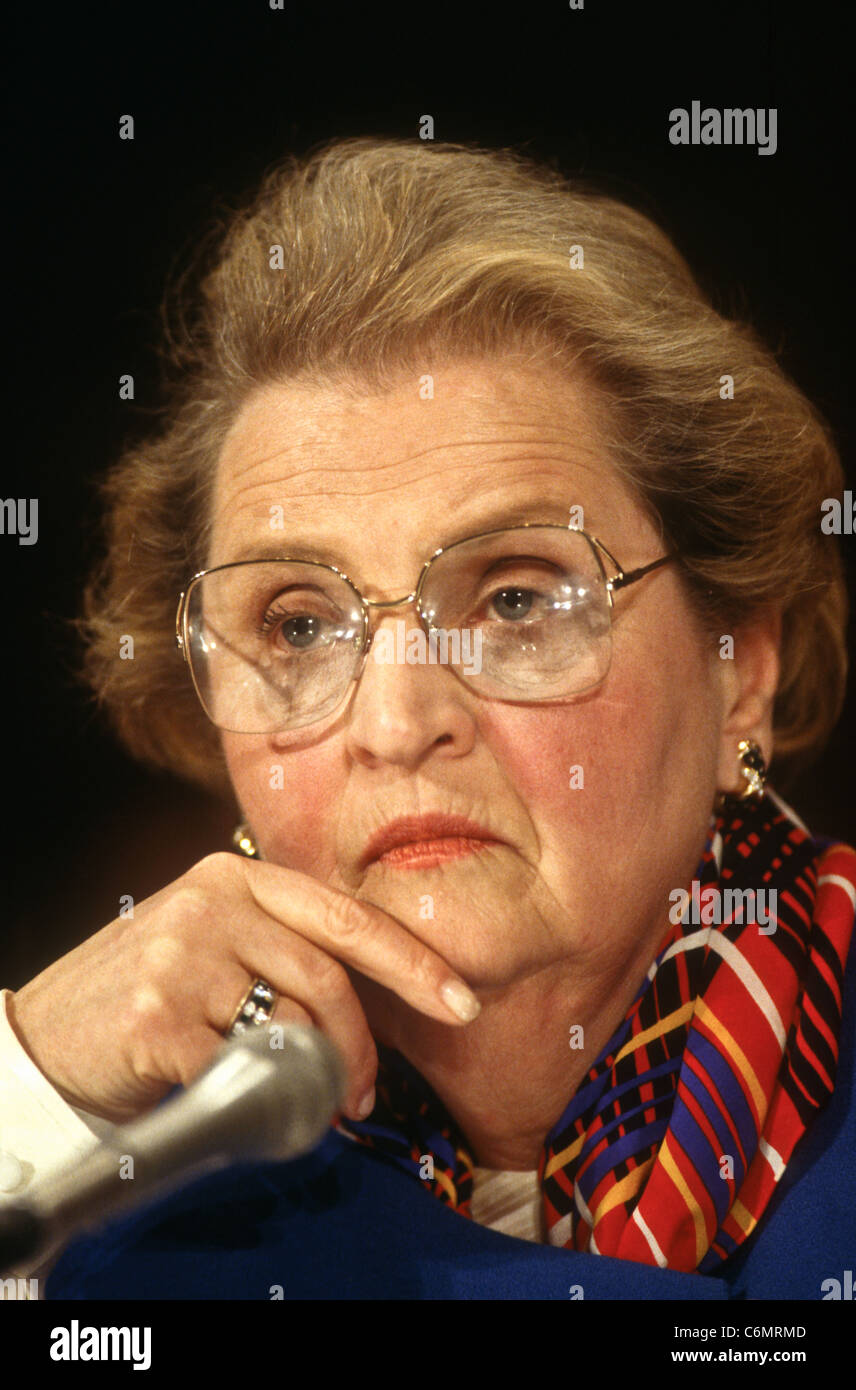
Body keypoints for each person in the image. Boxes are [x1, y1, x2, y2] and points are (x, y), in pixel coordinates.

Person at [1, 137, 854, 1300]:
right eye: (298, 625)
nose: (395, 721)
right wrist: (30, 1094)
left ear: (738, 668)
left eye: (513, 599)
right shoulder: (125, 1198)